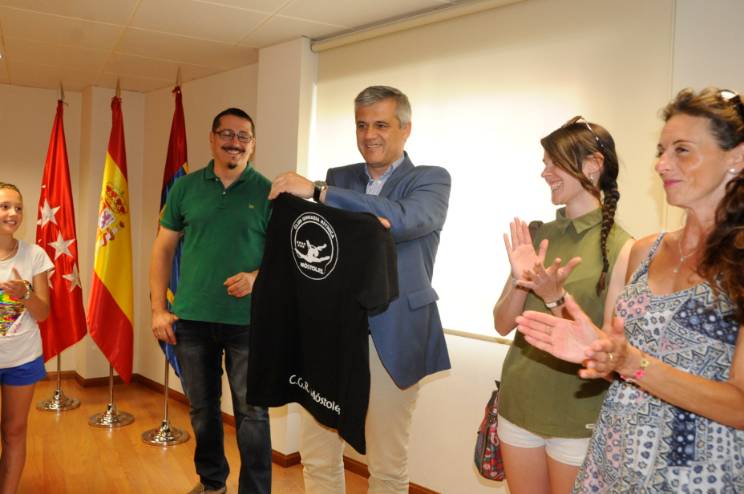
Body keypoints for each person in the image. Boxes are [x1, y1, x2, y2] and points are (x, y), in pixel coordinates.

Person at [516, 87, 744, 492]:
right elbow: (616, 360)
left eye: (682, 150)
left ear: (736, 157)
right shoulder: (645, 251)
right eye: (661, 150)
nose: (662, 164)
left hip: (697, 472)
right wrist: (594, 346)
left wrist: (632, 363)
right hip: (616, 456)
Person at [269, 85, 451, 494]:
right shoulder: (341, 176)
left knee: (386, 463)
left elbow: (403, 219)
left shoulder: (431, 180)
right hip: (333, 332)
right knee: (317, 452)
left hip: (394, 332)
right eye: (362, 125)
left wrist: (320, 192)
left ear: (405, 128)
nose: (370, 135)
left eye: (381, 125)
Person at [492, 117, 633, 493]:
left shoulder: (624, 249)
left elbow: (608, 354)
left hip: (576, 417)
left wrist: (555, 298)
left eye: (554, 162)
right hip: (519, 404)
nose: (545, 172)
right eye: (544, 163)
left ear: (593, 165)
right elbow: (502, 324)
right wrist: (522, 282)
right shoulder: (538, 234)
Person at [149, 109, 272, 494]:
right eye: (227, 134)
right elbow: (162, 249)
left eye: (243, 136)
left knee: (252, 414)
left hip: (247, 322)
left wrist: (255, 278)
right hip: (192, 320)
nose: (235, 142)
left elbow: (286, 258)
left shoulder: (268, 192)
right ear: (212, 138)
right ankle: (213, 483)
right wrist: (158, 309)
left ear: (253, 143)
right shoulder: (185, 188)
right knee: (203, 410)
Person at [0, 183, 52, 493]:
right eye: (5, 206)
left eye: (18, 207)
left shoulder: (35, 254)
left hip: (22, 359)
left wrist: (26, 294)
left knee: (14, 431)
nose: (13, 213)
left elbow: (43, 313)